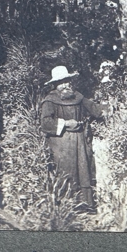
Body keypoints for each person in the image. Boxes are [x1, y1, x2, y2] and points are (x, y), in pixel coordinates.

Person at [39, 65, 105, 208]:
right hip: (61, 145)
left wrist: (109, 108)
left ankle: (86, 205)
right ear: (55, 85)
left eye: (67, 81)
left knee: (83, 170)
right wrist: (66, 123)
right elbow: (45, 123)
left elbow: (95, 109)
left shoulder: (78, 97)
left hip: (80, 142)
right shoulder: (50, 101)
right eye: (61, 82)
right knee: (66, 172)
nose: (65, 85)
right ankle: (67, 206)